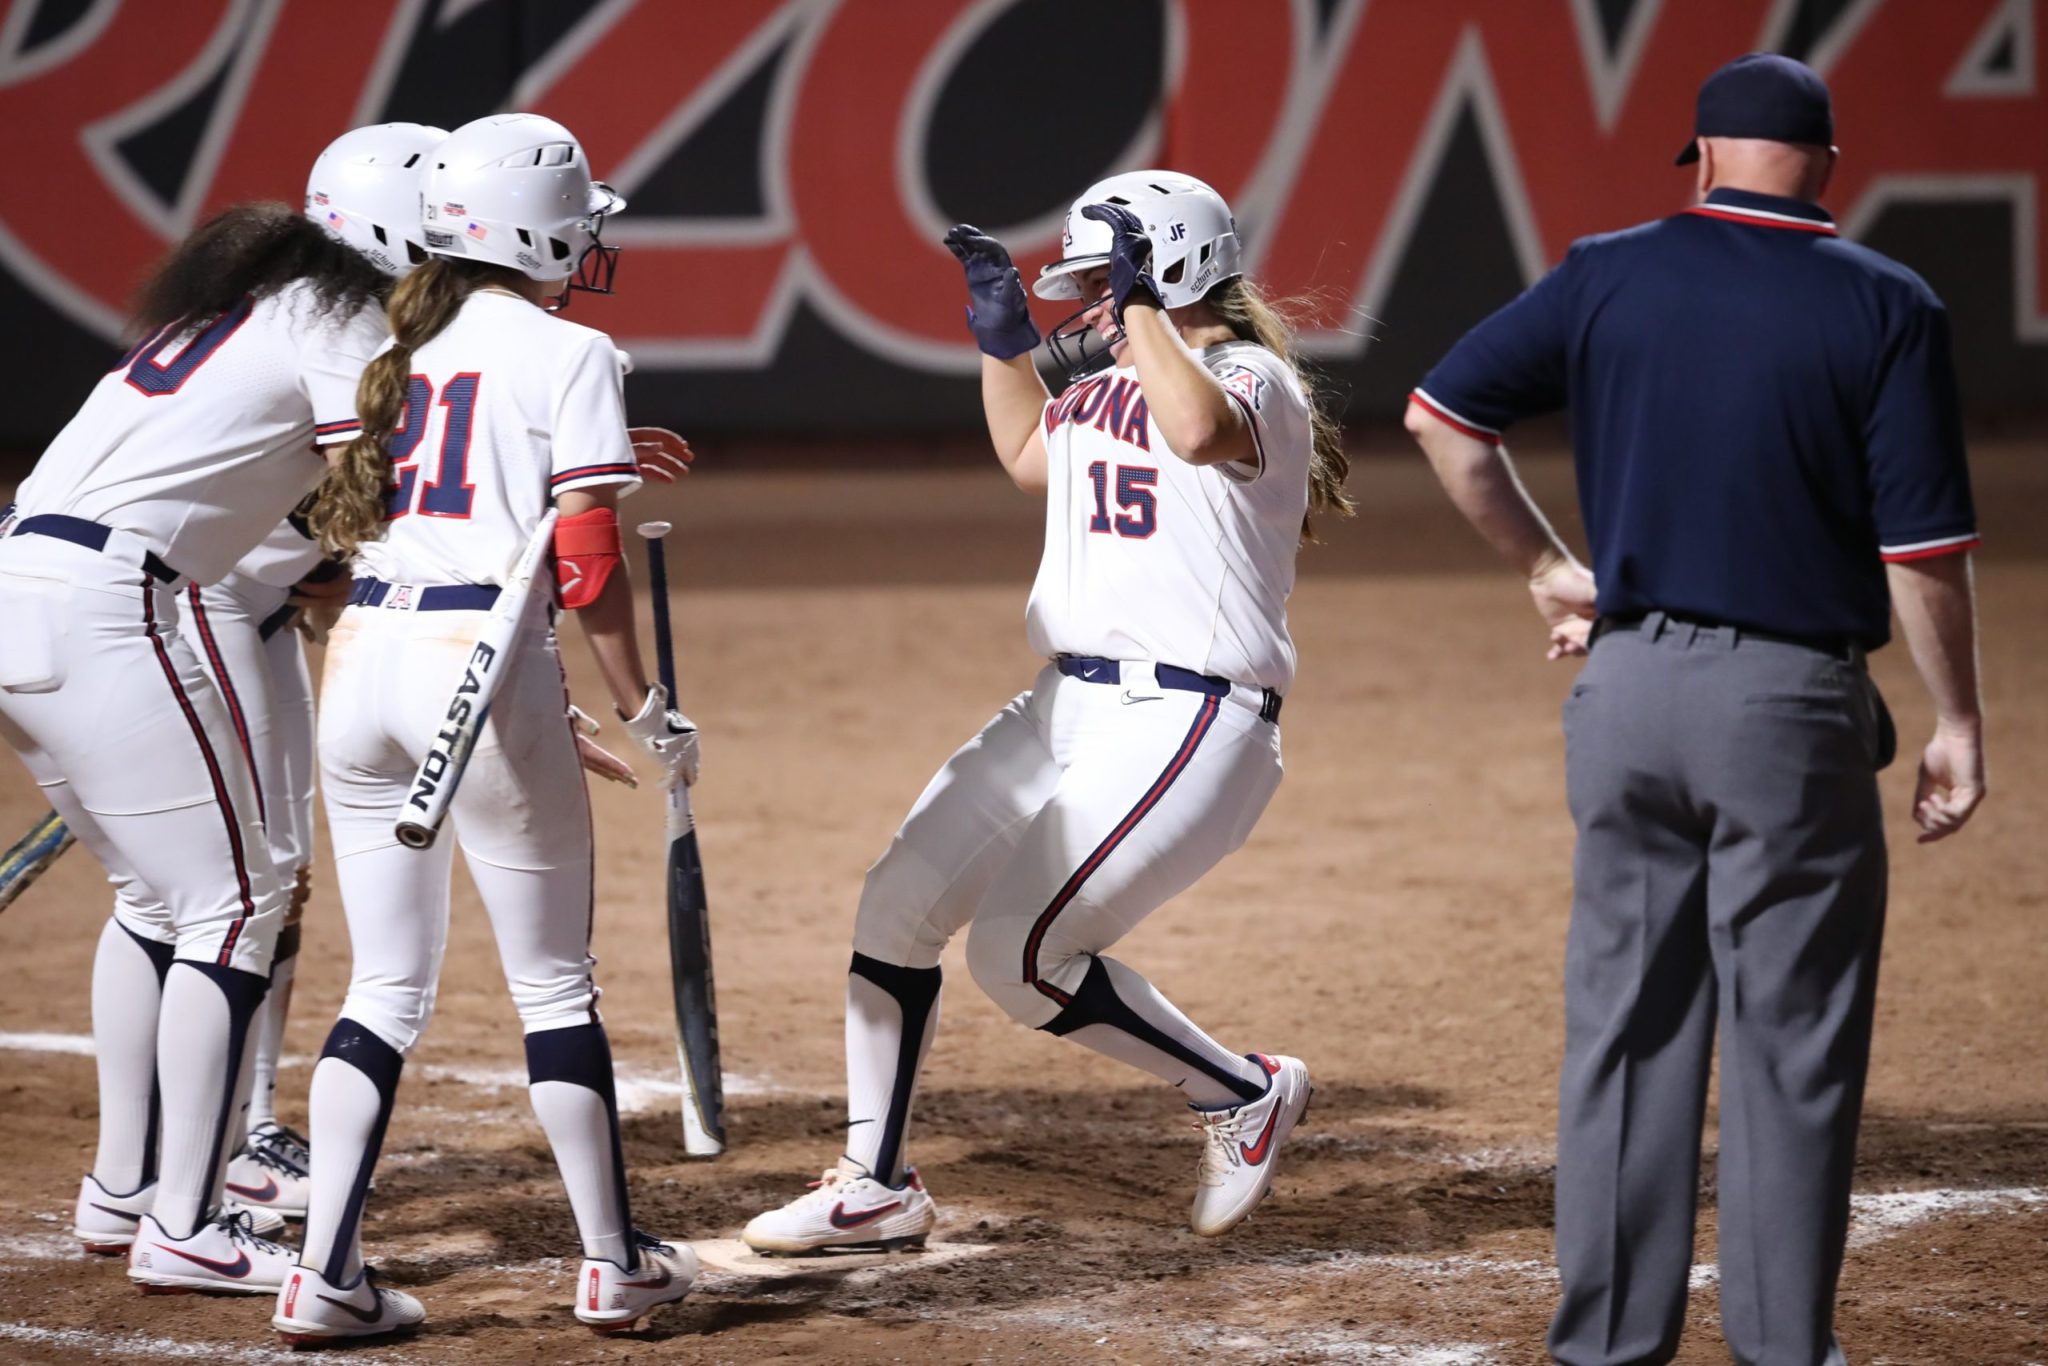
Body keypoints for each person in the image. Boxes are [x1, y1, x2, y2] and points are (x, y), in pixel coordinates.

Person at [1404, 52, 1986, 1366]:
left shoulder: (1607, 269)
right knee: (1793, 1044)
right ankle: (1783, 1349)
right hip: (1789, 709)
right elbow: (1923, 553)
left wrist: (1551, 566)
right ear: (1828, 168)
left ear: (1705, 157)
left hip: (1625, 695)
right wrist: (1957, 718)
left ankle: (1608, 1343)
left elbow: (1442, 415)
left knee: (1624, 1030)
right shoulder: (1888, 304)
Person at [743, 171, 1352, 1256]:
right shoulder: (1128, 371)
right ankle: (872, 1183)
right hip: (1064, 701)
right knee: (893, 909)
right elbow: (1032, 459)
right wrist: (999, 346)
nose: (1086, 300)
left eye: (1105, 277)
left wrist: (1145, 312)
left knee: (1020, 955)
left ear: (1161, 270)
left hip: (1188, 721)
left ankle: (1240, 1092)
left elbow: (1200, 425)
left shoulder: (1247, 375)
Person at [271, 112, 701, 1345]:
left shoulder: (390, 342)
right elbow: (585, 565)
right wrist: (642, 705)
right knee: (553, 985)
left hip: (359, 666)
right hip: (479, 665)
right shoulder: (572, 351)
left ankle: (321, 1273)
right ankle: (614, 1262)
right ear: (535, 225)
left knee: (386, 983)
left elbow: (356, 535)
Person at [0, 156, 402, 1290]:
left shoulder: (254, 307)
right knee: (235, 905)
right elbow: (376, 474)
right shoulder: (342, 314)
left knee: (159, 899)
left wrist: (325, 565)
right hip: (118, 604)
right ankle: (185, 1219)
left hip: (29, 581)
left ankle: (126, 1189)